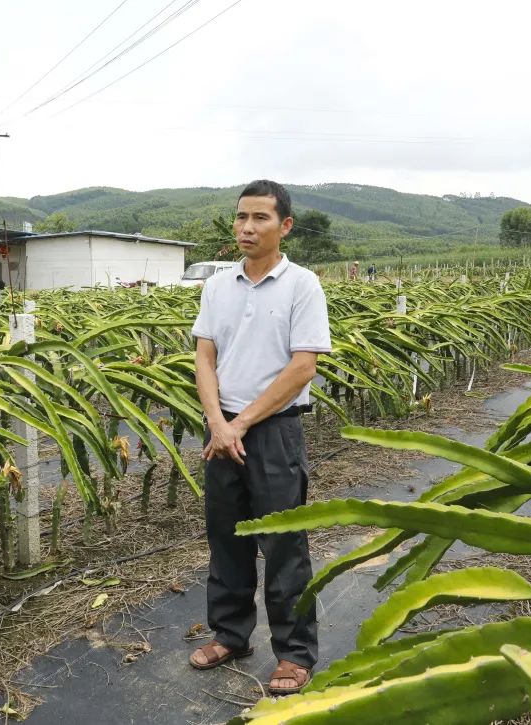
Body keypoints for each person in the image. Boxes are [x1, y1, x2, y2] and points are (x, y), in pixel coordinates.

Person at [187, 180, 331, 695]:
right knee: (226, 537)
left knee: (284, 542)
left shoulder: (302, 285)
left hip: (272, 431)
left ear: (284, 225)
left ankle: (293, 654)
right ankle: (231, 634)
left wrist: (241, 423)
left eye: (260, 219)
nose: (247, 227)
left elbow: (303, 367)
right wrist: (218, 422)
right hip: (220, 428)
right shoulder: (217, 285)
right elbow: (205, 356)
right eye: (241, 217)